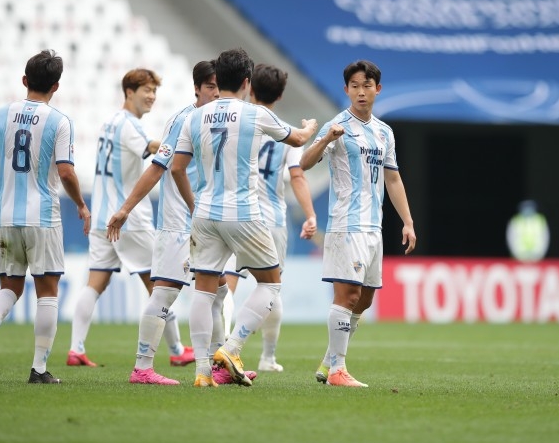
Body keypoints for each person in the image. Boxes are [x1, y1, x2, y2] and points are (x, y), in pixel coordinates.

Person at [171, 47, 317, 387]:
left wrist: (194, 205)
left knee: (204, 291)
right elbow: (297, 139)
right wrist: (310, 127)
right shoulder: (254, 114)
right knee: (271, 283)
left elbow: (177, 168)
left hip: (205, 212)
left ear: (218, 78)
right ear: (247, 82)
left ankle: (202, 371)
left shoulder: (195, 116)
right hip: (243, 213)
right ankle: (233, 347)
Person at [106, 60, 251, 385]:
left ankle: (218, 365)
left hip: (207, 224)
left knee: (219, 291)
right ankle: (142, 368)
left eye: (219, 87)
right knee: (164, 294)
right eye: (210, 87)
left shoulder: (217, 120)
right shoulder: (184, 120)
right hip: (179, 225)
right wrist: (126, 209)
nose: (216, 93)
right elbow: (158, 167)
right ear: (197, 88)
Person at [0, 50, 91, 384]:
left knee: (10, 285)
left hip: (6, 215)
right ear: (56, 86)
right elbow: (65, 172)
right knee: (47, 291)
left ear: (25, 80)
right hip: (43, 217)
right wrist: (81, 204)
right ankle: (38, 369)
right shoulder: (60, 122)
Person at [300, 60, 416, 388]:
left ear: (378, 89)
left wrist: (407, 221)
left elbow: (393, 179)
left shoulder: (384, 132)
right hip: (346, 223)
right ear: (346, 89)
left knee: (365, 299)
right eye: (354, 86)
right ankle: (338, 370)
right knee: (348, 295)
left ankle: (329, 361)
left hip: (373, 226)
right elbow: (304, 162)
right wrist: (326, 138)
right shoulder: (337, 125)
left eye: (367, 85)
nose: (361, 92)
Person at [68, 68, 194, 368]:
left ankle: (75, 349)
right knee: (161, 284)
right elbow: (152, 148)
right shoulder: (130, 124)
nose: (151, 96)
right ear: (129, 92)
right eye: (146, 90)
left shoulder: (108, 123)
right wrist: (179, 144)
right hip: (128, 219)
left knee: (95, 284)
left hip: (102, 216)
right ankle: (177, 350)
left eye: (154, 91)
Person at [222, 64, 318, 373]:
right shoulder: (284, 130)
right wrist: (310, 214)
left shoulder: (235, 122)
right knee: (272, 287)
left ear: (249, 88)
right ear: (280, 95)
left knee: (228, 284)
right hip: (272, 220)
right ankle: (267, 357)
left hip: (235, 213)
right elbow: (297, 176)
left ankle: (220, 345)